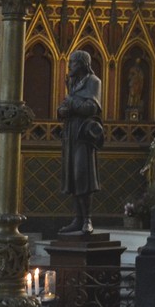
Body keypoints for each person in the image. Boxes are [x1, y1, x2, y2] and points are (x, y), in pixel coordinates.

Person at [56, 49, 104, 234]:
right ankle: (77, 218)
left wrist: (72, 103)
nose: (69, 66)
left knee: (82, 175)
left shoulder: (93, 82)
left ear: (83, 64)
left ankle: (87, 220)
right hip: (70, 133)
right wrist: (62, 110)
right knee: (71, 178)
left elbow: (92, 107)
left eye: (73, 63)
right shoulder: (72, 82)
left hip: (84, 134)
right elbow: (63, 105)